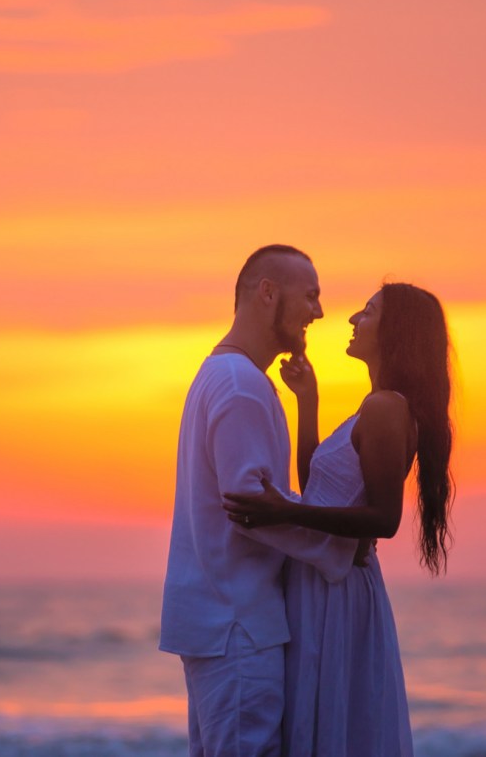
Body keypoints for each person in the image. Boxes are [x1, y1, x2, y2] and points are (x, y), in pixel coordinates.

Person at [223, 283, 455, 757]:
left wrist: (283, 511)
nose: (352, 319)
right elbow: (318, 489)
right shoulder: (374, 406)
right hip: (322, 582)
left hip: (338, 589)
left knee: (336, 726)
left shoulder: (386, 407)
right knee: (320, 722)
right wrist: (307, 401)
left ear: (395, 332)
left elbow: (383, 519)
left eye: (367, 312)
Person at [159, 245, 360, 757]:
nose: (319, 312)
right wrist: (340, 548)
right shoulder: (241, 384)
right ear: (267, 292)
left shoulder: (223, 376)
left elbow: (260, 500)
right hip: (239, 628)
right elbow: (251, 508)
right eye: (311, 295)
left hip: (218, 624)